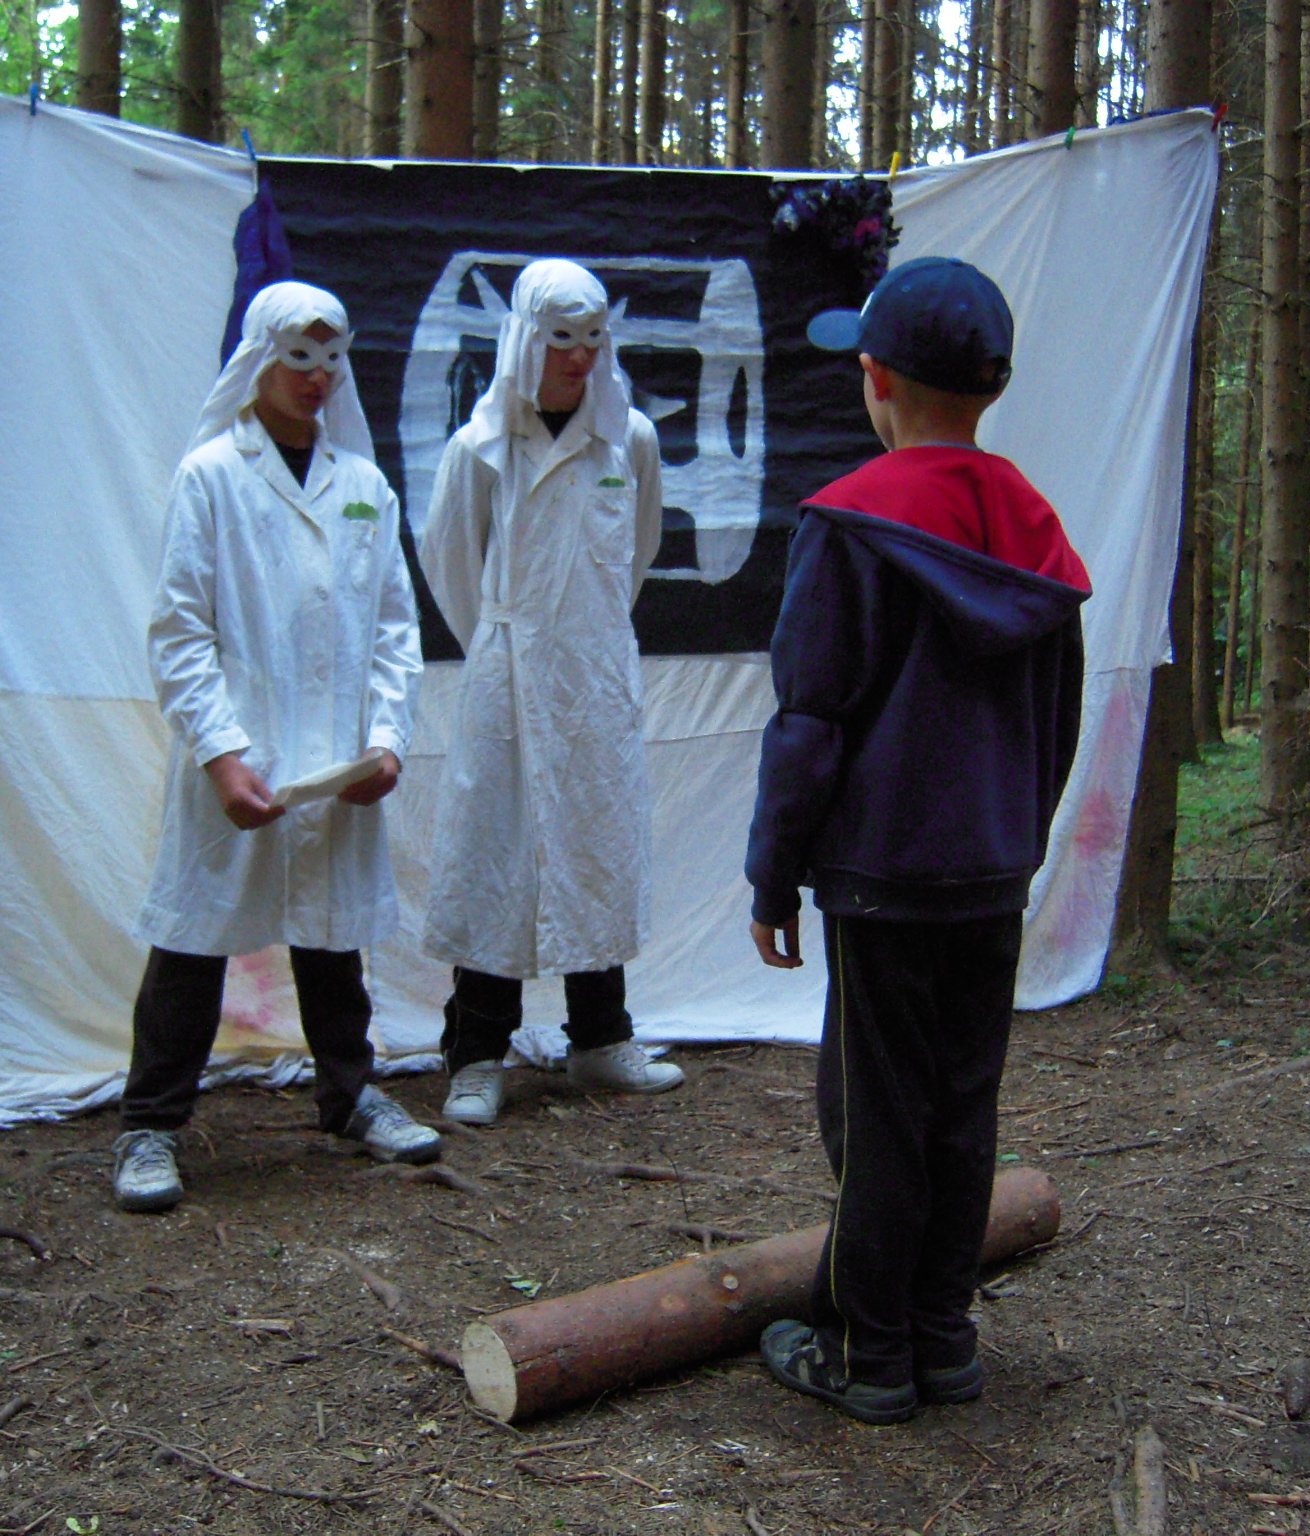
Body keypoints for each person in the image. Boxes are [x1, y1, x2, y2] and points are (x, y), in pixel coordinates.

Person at [745, 257, 1090, 1423]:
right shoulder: (1035, 531)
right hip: (988, 871)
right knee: (960, 1104)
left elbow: (810, 720)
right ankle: (945, 1340)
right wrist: (1014, 841)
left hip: (881, 876)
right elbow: (1055, 719)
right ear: (989, 388)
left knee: (876, 1112)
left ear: (876, 379)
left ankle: (869, 1353)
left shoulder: (847, 522)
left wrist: (773, 874)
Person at [113, 280, 441, 1215]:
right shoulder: (212, 475)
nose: (317, 375)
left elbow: (395, 631)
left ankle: (350, 1094)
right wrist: (222, 755)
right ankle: (149, 1123)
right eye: (298, 355)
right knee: (194, 936)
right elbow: (181, 631)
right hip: (243, 753)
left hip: (335, 760)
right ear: (259, 360)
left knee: (334, 937)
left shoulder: (364, 488)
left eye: (331, 357)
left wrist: (385, 741)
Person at [418, 259, 683, 1127]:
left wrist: (583, 635)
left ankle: (600, 1037)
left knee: (594, 846)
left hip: (594, 675)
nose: (579, 356)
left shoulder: (628, 441)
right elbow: (451, 562)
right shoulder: (481, 448)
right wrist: (509, 641)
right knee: (497, 854)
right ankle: (476, 1050)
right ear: (526, 340)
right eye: (561, 338)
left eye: (593, 337)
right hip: (508, 669)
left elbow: (636, 552)